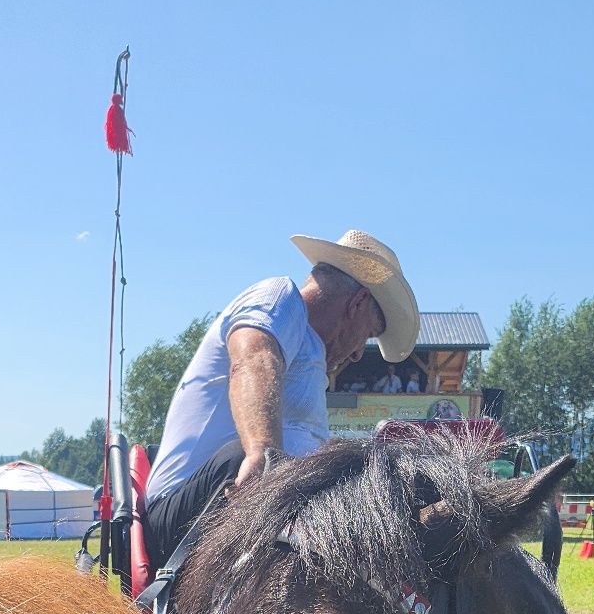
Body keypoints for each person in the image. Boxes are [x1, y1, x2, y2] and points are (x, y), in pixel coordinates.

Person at [142, 229, 419, 573]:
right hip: (188, 518)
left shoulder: (312, 359)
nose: (360, 351)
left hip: (254, 510)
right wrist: (261, 454)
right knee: (248, 459)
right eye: (368, 333)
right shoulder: (278, 298)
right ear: (358, 303)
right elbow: (253, 360)